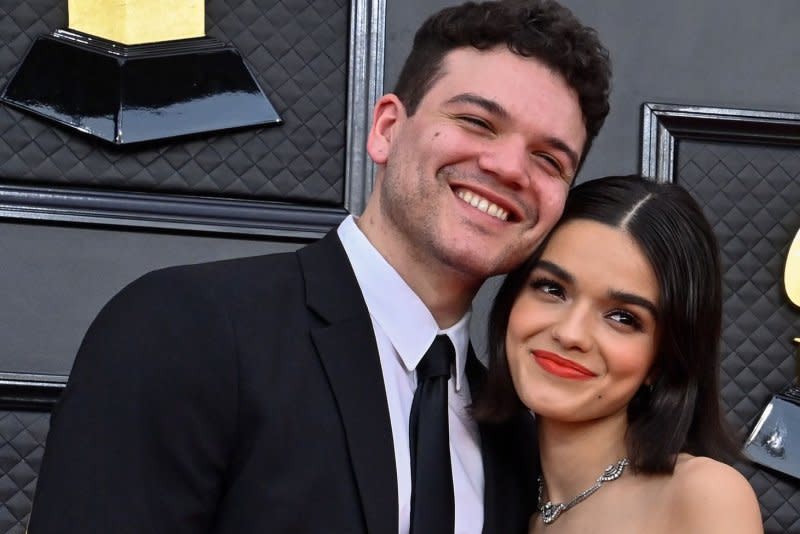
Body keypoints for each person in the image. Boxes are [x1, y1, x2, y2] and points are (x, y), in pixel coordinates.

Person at [27, 1, 611, 533]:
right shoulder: (184, 329)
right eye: (477, 122)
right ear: (386, 129)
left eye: (548, 159)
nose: (510, 167)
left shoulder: (517, 437)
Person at [475, 175, 763, 533]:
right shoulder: (492, 490)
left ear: (662, 360)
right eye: (551, 288)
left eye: (623, 317)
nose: (570, 333)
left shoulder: (702, 496)